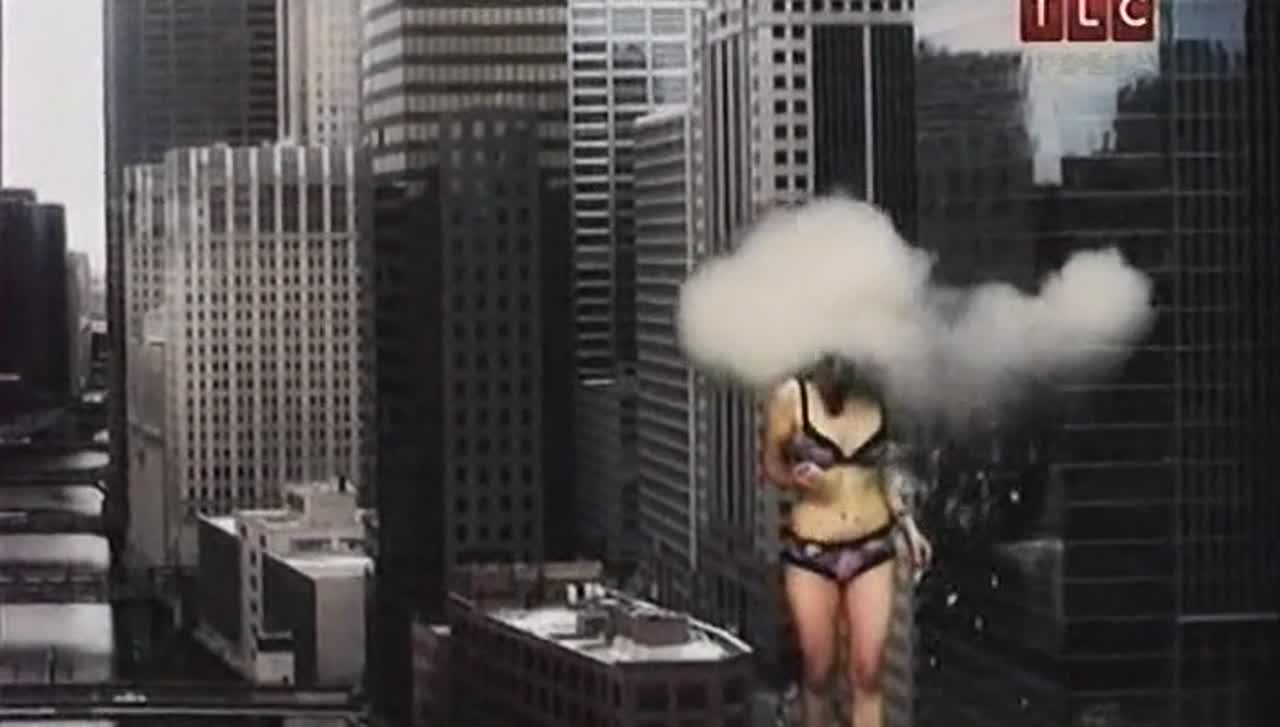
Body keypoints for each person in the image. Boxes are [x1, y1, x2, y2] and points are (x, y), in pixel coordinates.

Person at [761, 354, 932, 727]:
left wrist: (907, 526)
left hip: (873, 545)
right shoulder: (791, 396)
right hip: (811, 552)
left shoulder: (877, 394)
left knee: (868, 673)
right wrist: (795, 477)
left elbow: (887, 468)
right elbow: (771, 464)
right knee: (818, 672)